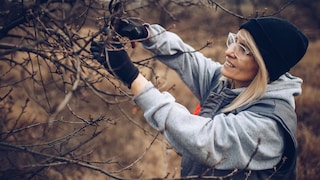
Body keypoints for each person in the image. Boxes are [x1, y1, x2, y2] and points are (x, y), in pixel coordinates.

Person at [90, 17, 308, 179]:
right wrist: (146, 33)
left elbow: (203, 139)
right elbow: (187, 59)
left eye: (243, 49)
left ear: (263, 65)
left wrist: (132, 77)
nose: (229, 51)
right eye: (234, 40)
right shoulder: (229, 83)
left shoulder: (268, 124)